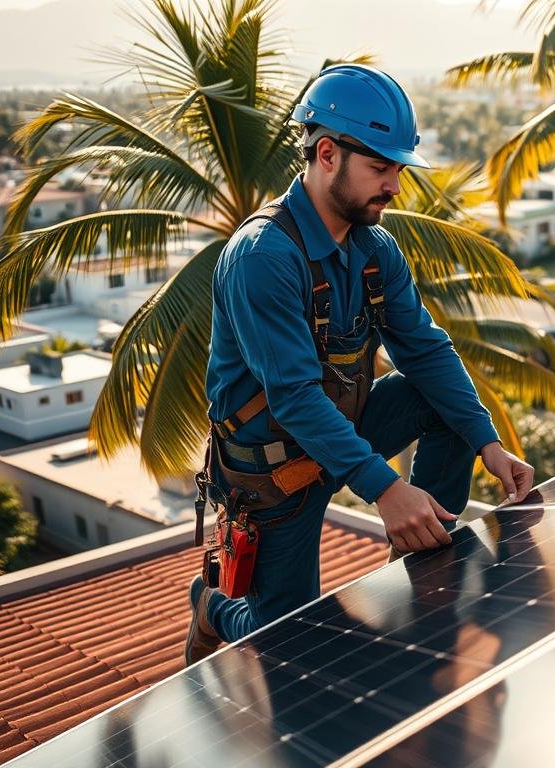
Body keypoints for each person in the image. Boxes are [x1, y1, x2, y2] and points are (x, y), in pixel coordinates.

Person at [184, 64, 534, 665]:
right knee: (289, 643)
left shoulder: (373, 248)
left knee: (439, 401)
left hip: (344, 433)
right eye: (380, 168)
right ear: (327, 154)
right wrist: (388, 491)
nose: (394, 186)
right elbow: (293, 399)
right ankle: (212, 608)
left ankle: (423, 558)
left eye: (397, 169)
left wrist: (487, 442)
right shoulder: (263, 257)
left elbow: (424, 350)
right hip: (276, 473)